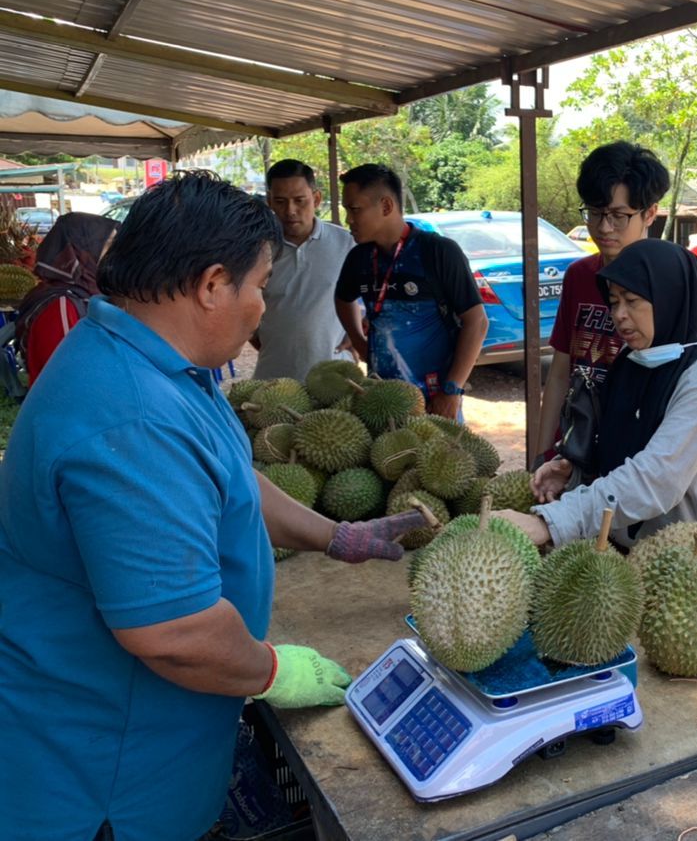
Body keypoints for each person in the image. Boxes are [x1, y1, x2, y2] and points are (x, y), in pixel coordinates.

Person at [0, 172, 426, 841]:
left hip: (150, 753)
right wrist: (276, 670)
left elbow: (232, 478)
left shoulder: (156, 362)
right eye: (259, 286)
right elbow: (175, 634)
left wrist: (334, 536)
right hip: (103, 785)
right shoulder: (129, 417)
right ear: (210, 285)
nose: (262, 306)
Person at [499, 239, 697, 549]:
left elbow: (654, 479)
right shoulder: (634, 357)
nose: (619, 314)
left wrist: (550, 521)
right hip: (620, 552)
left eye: (632, 300)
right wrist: (574, 469)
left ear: (669, 297)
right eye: (613, 302)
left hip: (685, 563)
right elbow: (622, 446)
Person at [534, 141, 667, 463]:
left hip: (635, 455)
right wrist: (540, 455)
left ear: (649, 213)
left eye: (619, 216)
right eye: (595, 213)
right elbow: (561, 371)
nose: (603, 228)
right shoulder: (579, 275)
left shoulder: (672, 282)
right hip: (574, 444)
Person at [334, 163, 487, 420]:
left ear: (386, 206)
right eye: (346, 209)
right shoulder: (358, 258)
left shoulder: (438, 251)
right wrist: (360, 343)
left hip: (434, 398)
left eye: (354, 209)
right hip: (380, 398)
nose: (348, 219)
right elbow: (342, 298)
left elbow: (477, 322)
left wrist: (452, 390)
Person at [251, 159, 355, 379]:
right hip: (273, 381)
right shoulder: (256, 250)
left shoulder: (346, 244)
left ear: (316, 199)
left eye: (300, 201)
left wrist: (362, 331)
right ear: (269, 201)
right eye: (280, 201)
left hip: (336, 380)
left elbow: (376, 297)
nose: (290, 211)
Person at [13, 211, 116, 385]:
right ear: (81, 251)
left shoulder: (86, 292)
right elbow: (68, 375)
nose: (113, 253)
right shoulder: (60, 305)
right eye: (107, 245)